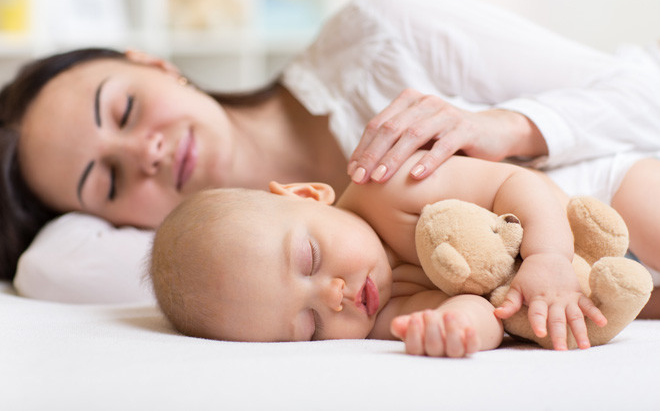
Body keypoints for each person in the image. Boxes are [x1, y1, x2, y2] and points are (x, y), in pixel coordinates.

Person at [2, 0, 660, 305]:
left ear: (151, 62)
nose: (141, 153)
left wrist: (511, 126)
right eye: (107, 183)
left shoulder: (387, 37)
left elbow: (647, 91)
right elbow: (49, 269)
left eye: (124, 108)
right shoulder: (236, 280)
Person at [150, 151, 611, 356]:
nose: (334, 299)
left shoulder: (391, 188)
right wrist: (454, 329)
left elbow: (516, 183)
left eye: (310, 260)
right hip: (597, 276)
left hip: (588, 193)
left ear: (308, 195)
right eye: (311, 327)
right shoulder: (378, 321)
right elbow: (484, 310)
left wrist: (548, 256)